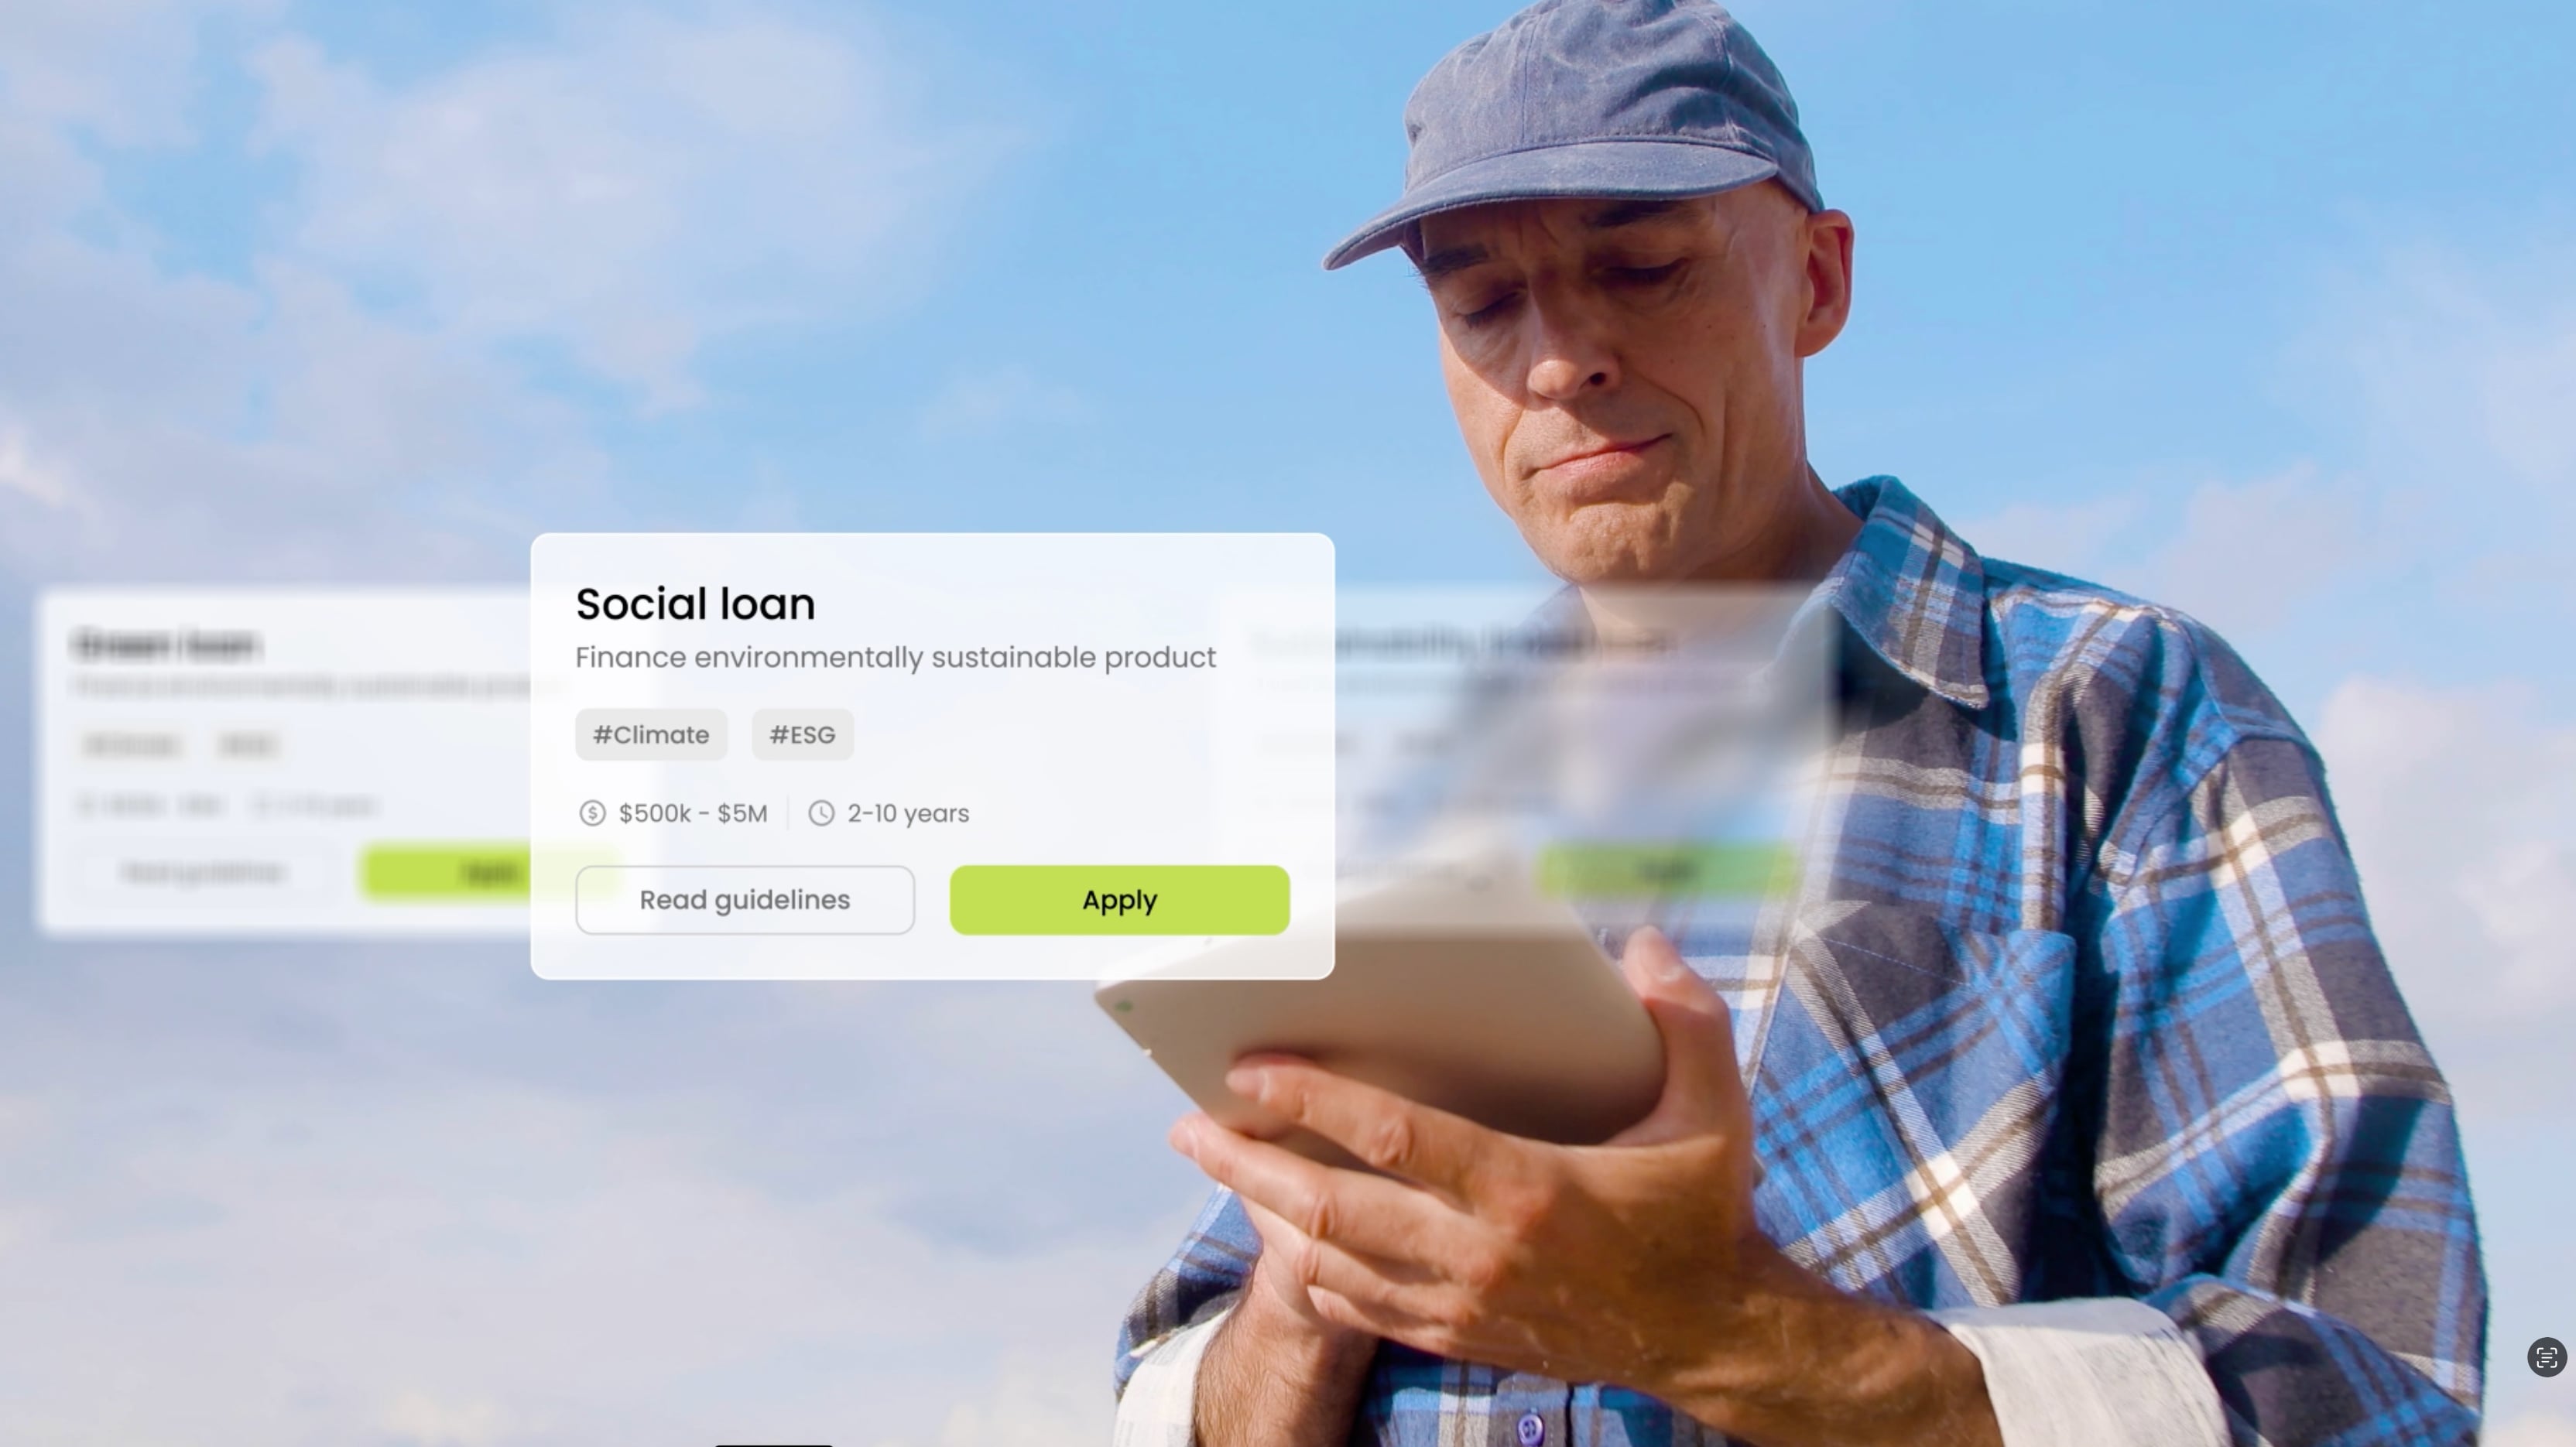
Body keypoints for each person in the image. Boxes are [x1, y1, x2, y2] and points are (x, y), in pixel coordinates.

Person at [1111, 2, 2487, 1442]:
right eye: (1481, 303)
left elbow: (2374, 1381)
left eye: (1640, 265)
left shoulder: (2111, 713)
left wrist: (1723, 1335)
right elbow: (1182, 1372)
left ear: (1818, 280)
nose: (1558, 358)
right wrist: (1312, 1285)